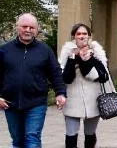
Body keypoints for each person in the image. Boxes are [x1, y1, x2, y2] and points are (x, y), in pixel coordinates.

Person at [0, 13, 67, 148]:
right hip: (10, 103)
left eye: (32, 27)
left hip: (36, 103)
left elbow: (55, 73)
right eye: (25, 26)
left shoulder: (45, 50)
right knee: (17, 140)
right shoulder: (4, 50)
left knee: (32, 139)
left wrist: (60, 93)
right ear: (18, 27)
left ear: (36, 30)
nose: (28, 30)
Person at [59, 23, 109, 148]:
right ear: (74, 36)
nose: (82, 36)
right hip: (72, 99)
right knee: (71, 134)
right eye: (78, 34)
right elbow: (66, 78)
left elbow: (103, 77)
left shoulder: (96, 53)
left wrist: (87, 60)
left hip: (93, 99)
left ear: (89, 36)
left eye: (84, 33)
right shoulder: (68, 53)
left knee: (90, 134)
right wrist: (73, 58)